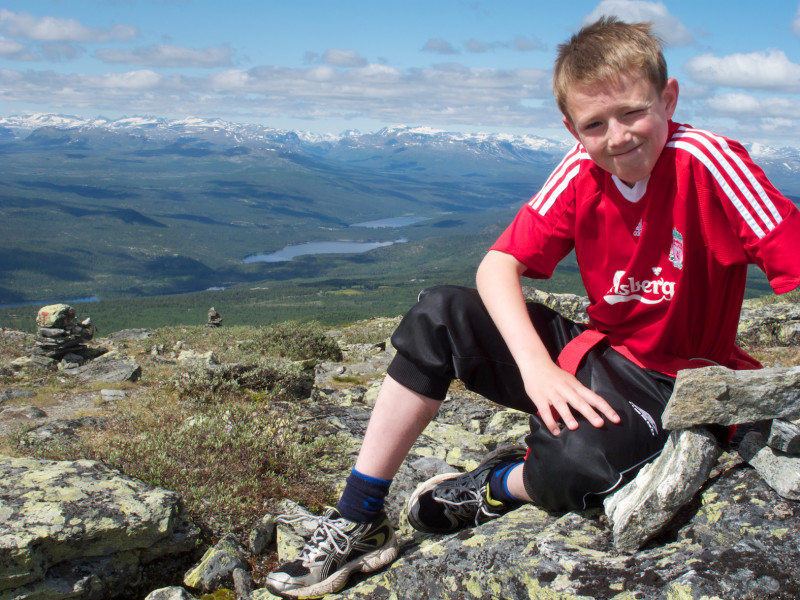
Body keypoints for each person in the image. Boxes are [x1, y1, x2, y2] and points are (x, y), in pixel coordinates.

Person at [265, 16, 800, 599]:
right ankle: (359, 515)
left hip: (677, 384)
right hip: (595, 352)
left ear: (668, 99)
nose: (617, 137)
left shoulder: (709, 163)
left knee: (574, 467)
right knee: (438, 313)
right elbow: (497, 265)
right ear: (572, 128)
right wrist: (537, 369)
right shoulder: (581, 170)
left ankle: (500, 485)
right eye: (595, 124)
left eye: (632, 112)